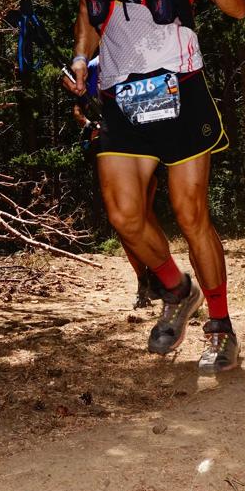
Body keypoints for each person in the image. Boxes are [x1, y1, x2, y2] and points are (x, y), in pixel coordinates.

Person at [64, 0, 245, 374]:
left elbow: (237, 7)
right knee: (124, 215)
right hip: (122, 94)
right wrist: (80, 59)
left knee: (192, 216)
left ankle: (220, 327)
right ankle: (176, 289)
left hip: (178, 87)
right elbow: (89, 11)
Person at [73, 56, 167, 309]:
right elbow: (79, 108)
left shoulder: (141, 58)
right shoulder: (93, 67)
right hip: (109, 151)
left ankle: (162, 275)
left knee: (145, 215)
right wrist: (90, 124)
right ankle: (143, 282)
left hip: (142, 148)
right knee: (126, 224)